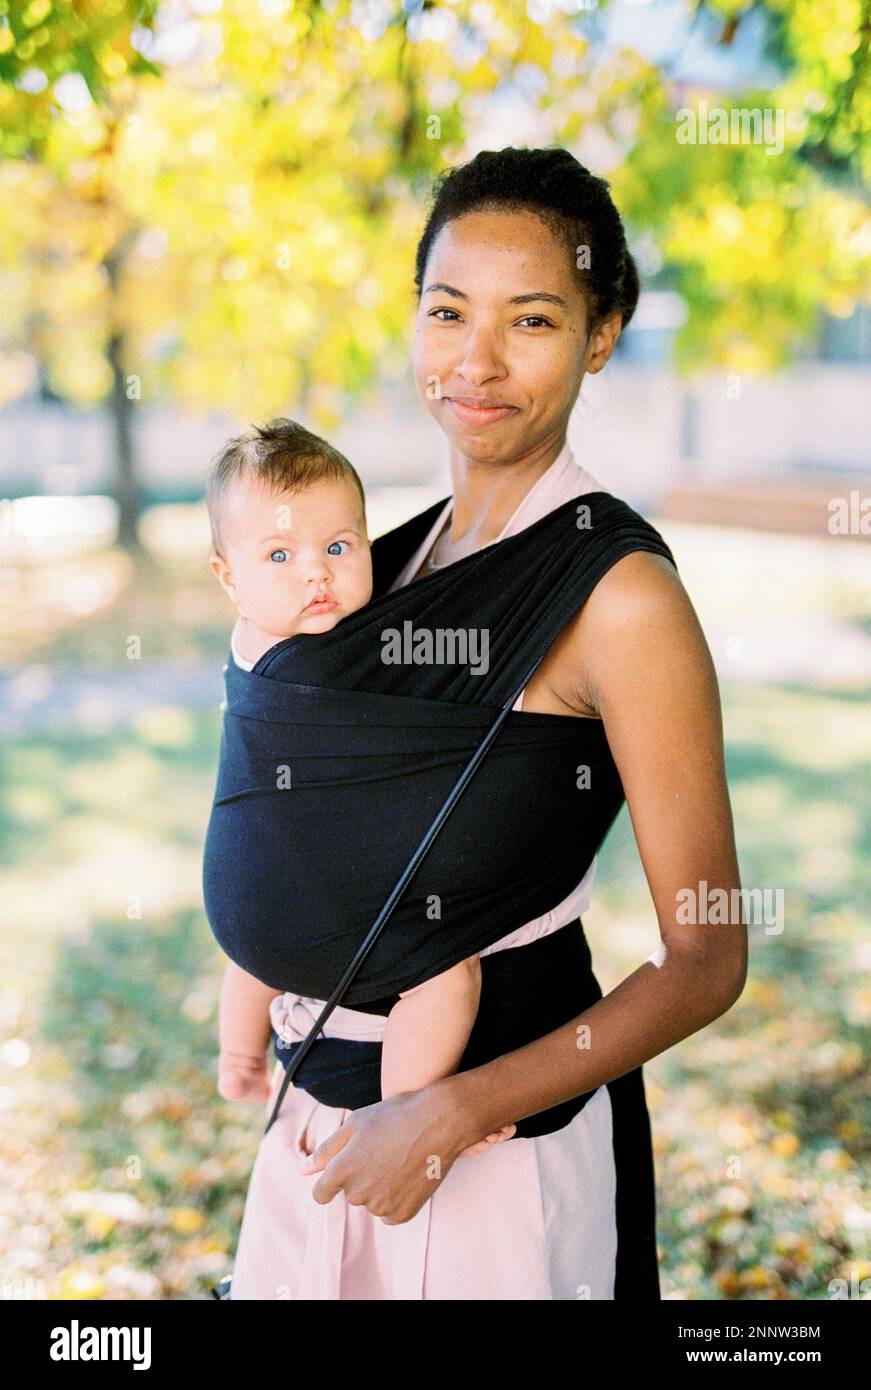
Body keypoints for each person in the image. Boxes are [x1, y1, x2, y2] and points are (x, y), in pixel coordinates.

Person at [227, 146, 747, 1300]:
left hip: (501, 1165)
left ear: (599, 337)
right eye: (448, 310)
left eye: (533, 321)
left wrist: (451, 1107)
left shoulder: (619, 596)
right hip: (320, 1133)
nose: (477, 360)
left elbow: (707, 956)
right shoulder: (380, 565)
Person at [204, 417, 515, 1153]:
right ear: (228, 577)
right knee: (445, 976)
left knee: (255, 948)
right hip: (326, 892)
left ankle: (240, 1059)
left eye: (339, 548)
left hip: (260, 891)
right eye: (279, 554)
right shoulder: (302, 657)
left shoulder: (259, 637)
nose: (316, 573)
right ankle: (411, 1116)